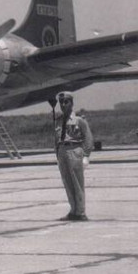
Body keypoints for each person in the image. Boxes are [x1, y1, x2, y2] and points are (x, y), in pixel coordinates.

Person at [54, 91, 93, 221]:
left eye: (66, 102)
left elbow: (88, 137)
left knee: (77, 182)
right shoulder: (58, 120)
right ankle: (73, 210)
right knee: (67, 182)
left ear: (72, 103)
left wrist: (86, 155)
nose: (63, 105)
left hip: (74, 150)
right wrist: (57, 154)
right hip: (62, 151)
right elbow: (56, 138)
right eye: (61, 102)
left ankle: (81, 212)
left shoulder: (79, 119)